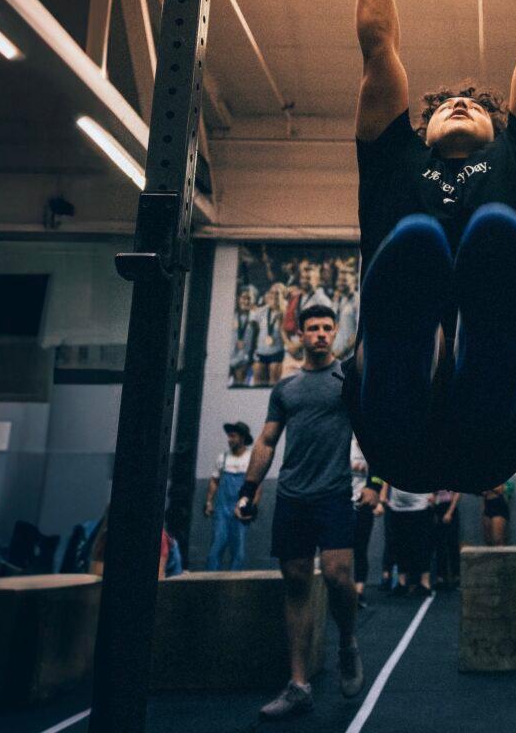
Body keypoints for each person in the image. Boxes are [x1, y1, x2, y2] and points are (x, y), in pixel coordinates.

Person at [344, 0, 516, 493]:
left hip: (494, 430)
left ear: (501, 127)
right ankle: (410, 358)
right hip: (393, 428)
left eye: (473, 104)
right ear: (422, 127)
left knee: (490, 238)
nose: (459, 102)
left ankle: (482, 350)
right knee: (423, 245)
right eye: (446, 105)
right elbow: (377, 48)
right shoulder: (392, 159)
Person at [234, 305, 364, 719]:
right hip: (292, 495)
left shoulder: (350, 379)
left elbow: (375, 430)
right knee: (295, 582)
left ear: (335, 334)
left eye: (328, 328)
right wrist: (248, 491)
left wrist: (378, 484)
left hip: (334, 493)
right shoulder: (286, 389)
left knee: (339, 575)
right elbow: (267, 442)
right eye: (314, 328)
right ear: (301, 336)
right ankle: (298, 684)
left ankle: (347, 643)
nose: (322, 334)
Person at [205, 421, 258, 571]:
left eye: (233, 436)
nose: (229, 439)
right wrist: (209, 502)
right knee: (216, 548)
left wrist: (252, 506)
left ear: (242, 438)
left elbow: (257, 486)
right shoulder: (222, 457)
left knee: (238, 551)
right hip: (222, 510)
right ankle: (209, 585)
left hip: (240, 508)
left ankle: (234, 587)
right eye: (229, 436)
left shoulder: (251, 458)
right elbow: (214, 481)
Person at [380, 483, 434, 596]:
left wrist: (433, 493)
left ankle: (425, 583)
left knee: (422, 545)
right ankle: (402, 583)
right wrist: (383, 494)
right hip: (397, 506)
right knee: (400, 545)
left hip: (420, 506)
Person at [350, 436, 383, 607]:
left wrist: (375, 496)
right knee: (342, 549)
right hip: (342, 504)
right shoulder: (345, 446)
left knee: (360, 549)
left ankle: (359, 591)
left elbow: (379, 474)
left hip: (362, 505)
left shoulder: (371, 449)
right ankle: (344, 589)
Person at [252, 285, 287, 386]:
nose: (274, 296)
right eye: (272, 293)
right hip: (261, 352)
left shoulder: (286, 310)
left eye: (277, 293)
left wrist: (283, 309)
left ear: (283, 296)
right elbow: (254, 328)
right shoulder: (261, 311)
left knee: (273, 384)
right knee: (258, 383)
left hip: (277, 352)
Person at [432, 489, 462, 588]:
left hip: (450, 507)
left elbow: (457, 493)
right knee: (439, 545)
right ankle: (441, 577)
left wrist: (449, 512)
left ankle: (456, 576)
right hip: (438, 508)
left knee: (452, 543)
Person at [230, 287, 258, 385]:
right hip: (228, 356)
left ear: (253, 300)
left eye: (249, 298)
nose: (246, 301)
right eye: (243, 298)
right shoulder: (230, 315)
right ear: (238, 299)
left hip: (244, 358)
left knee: (238, 386)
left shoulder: (255, 318)